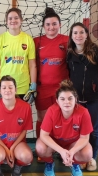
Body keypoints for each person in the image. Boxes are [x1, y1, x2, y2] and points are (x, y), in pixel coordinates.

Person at [67, 22, 98, 171]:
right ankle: (78, 156)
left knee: (93, 130)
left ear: (86, 35)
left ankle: (91, 158)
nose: (78, 35)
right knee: (77, 130)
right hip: (77, 101)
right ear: (71, 36)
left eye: (81, 32)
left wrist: (97, 85)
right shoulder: (70, 53)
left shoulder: (96, 52)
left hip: (94, 100)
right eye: (75, 33)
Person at [36, 80, 93, 176]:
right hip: (55, 142)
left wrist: (72, 151)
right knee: (40, 147)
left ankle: (74, 164)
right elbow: (43, 135)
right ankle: (49, 163)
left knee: (87, 153)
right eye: (62, 99)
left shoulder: (83, 112)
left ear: (75, 99)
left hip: (72, 143)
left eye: (70, 98)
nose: (67, 102)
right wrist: (61, 151)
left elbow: (84, 138)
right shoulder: (52, 111)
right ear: (57, 101)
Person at [0, 75, 33, 176]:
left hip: (17, 143)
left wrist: (13, 147)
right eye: (4, 87)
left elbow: (24, 130)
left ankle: (18, 166)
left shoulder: (25, 107)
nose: (7, 90)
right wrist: (6, 149)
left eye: (10, 87)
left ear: (16, 90)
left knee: (27, 157)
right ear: (0, 91)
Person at [33, 8, 69, 144]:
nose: (51, 27)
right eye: (48, 24)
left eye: (54, 24)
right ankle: (42, 148)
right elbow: (31, 64)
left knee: (62, 118)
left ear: (59, 25)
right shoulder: (36, 42)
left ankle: (62, 147)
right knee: (42, 118)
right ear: (43, 26)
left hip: (62, 88)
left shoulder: (67, 40)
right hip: (42, 89)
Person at [0, 8, 37, 101]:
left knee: (22, 115)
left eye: (16, 18)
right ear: (6, 21)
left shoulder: (28, 39)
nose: (13, 21)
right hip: (5, 88)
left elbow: (32, 65)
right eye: (10, 18)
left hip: (23, 87)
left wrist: (33, 85)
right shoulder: (0, 39)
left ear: (21, 20)